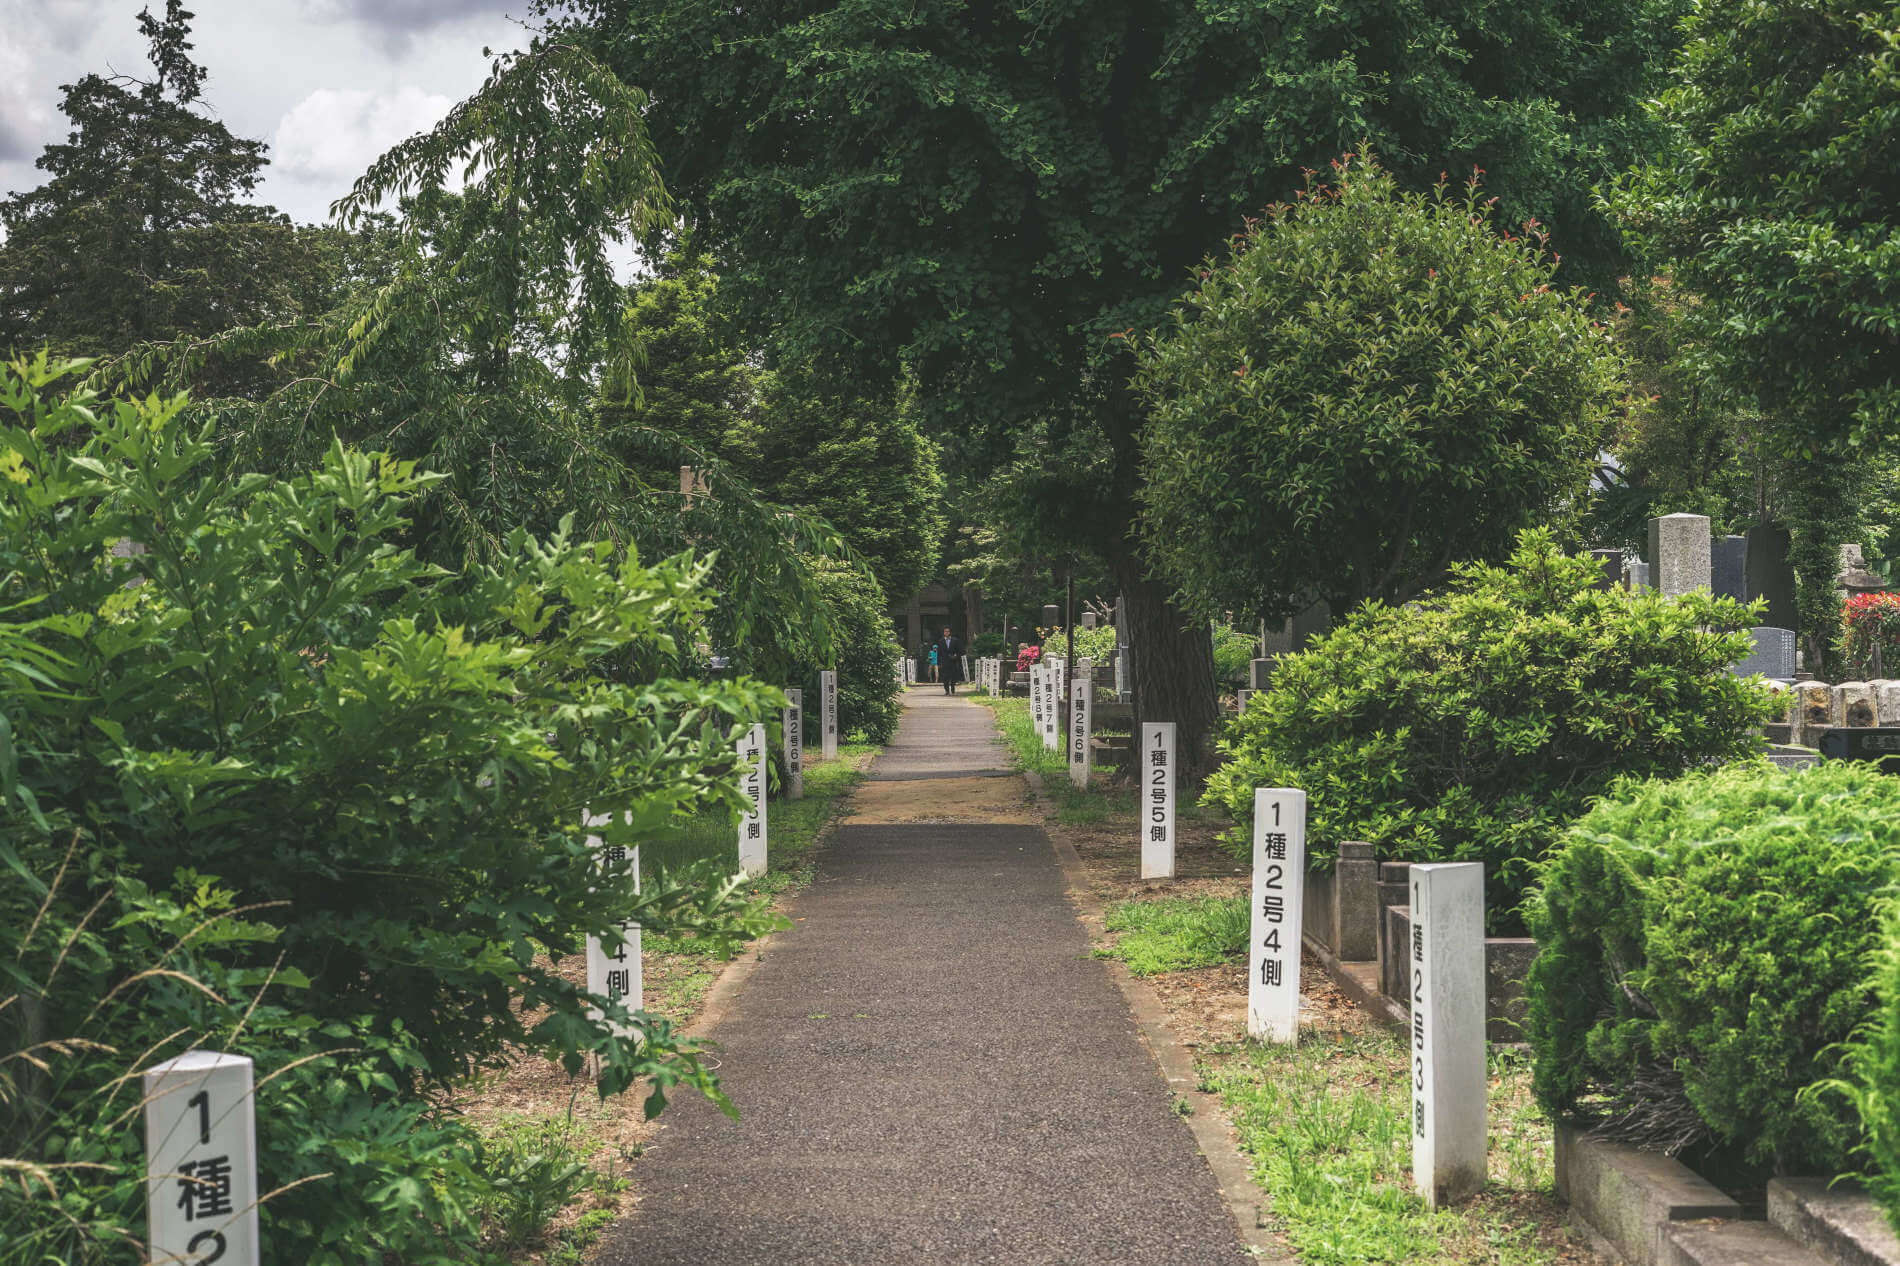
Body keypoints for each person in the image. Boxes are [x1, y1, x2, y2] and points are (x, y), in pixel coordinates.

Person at [935, 626, 964, 695]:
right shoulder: (940, 641)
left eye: (948, 631)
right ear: (944, 633)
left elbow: (959, 650)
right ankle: (947, 690)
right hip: (944, 661)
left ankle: (953, 688)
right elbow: (939, 653)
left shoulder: (955, 640)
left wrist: (956, 656)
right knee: (945, 677)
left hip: (953, 661)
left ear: (950, 632)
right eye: (945, 631)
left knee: (953, 676)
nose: (946, 633)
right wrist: (939, 663)